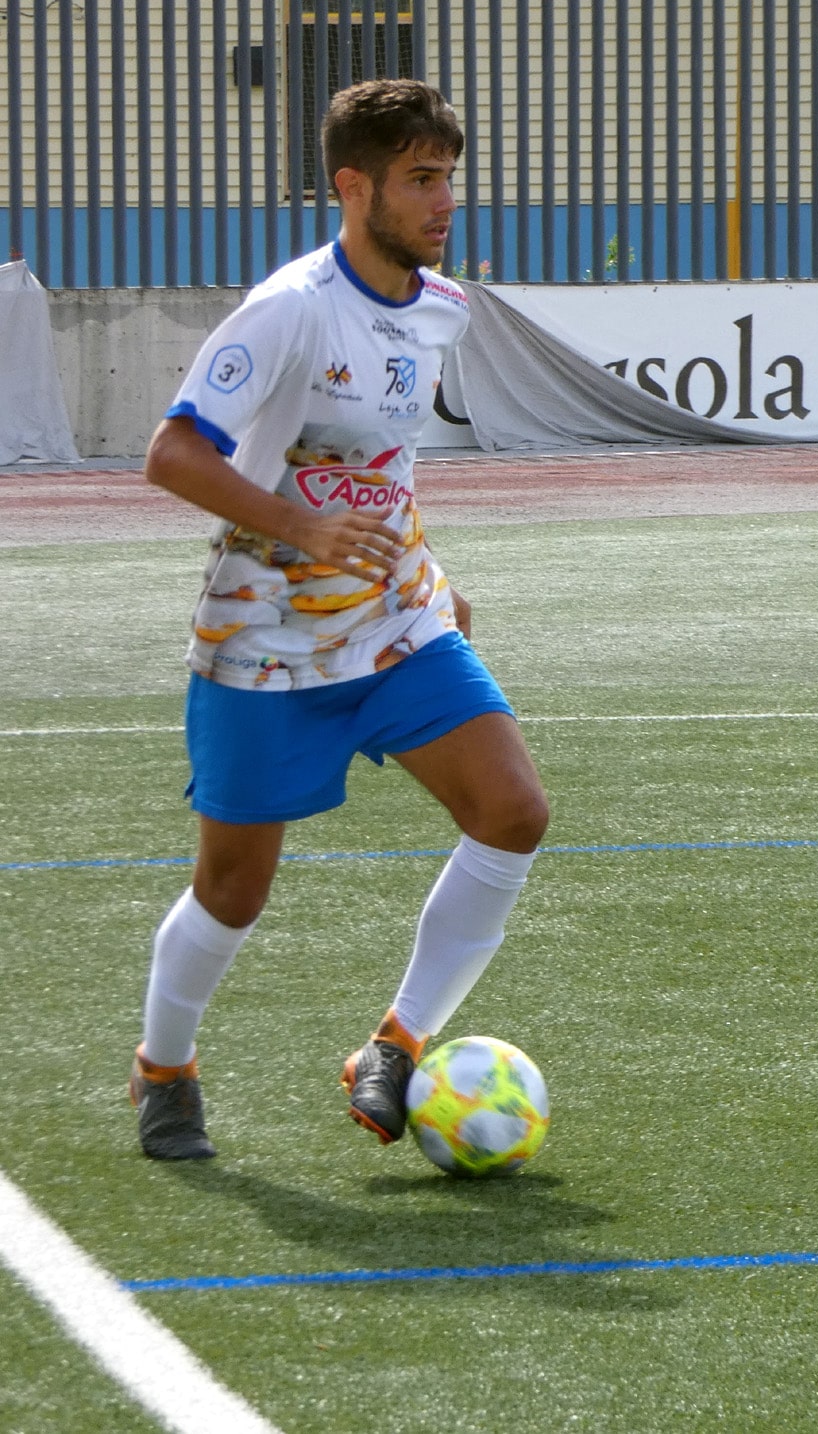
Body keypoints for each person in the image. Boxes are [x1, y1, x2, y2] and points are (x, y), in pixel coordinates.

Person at [130, 79, 549, 1159]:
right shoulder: (289, 309)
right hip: (263, 638)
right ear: (352, 186)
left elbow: (383, 466)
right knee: (233, 889)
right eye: (420, 179)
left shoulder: (441, 310)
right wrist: (298, 529)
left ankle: (395, 1045)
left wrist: (428, 576)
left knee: (512, 810)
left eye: (449, 176)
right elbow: (173, 453)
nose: (444, 200)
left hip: (397, 620)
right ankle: (163, 1068)